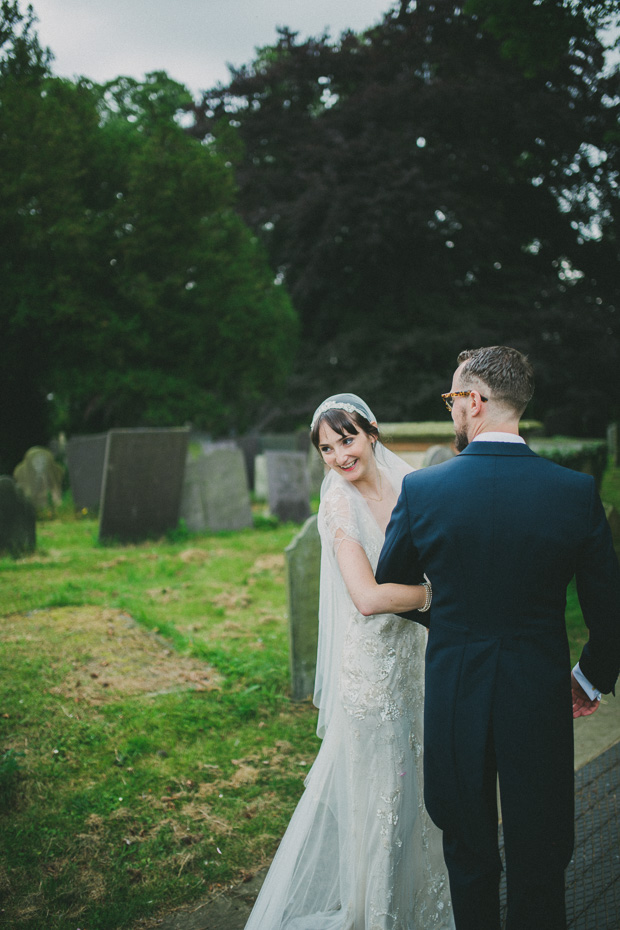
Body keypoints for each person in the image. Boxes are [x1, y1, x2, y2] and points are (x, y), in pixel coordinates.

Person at [376, 346, 620, 930]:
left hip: (457, 684)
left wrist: (455, 620)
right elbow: (609, 609)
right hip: (538, 688)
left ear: (475, 402)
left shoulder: (425, 491)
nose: (451, 411)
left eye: (452, 400)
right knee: (542, 847)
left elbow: (393, 581)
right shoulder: (575, 492)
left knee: (467, 845)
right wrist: (590, 677)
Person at [243, 393, 454, 930]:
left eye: (348, 439)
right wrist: (436, 596)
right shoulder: (338, 504)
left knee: (421, 798)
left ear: (372, 433)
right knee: (382, 804)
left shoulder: (411, 486)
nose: (339, 455)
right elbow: (364, 596)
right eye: (327, 448)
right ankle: (375, 916)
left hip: (414, 665)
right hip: (372, 677)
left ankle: (417, 912)